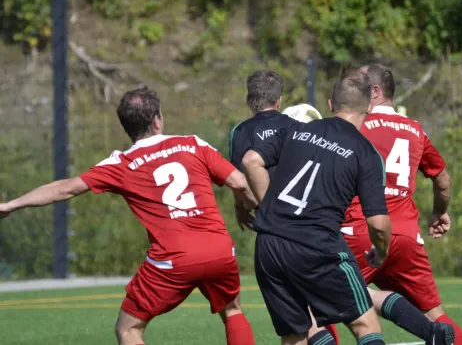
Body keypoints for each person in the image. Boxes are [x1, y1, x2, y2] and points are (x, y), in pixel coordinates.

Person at [0, 87, 257, 345]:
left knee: (128, 329)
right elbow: (241, 184)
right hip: (219, 249)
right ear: (157, 120)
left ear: (126, 127)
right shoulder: (192, 143)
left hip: (173, 259)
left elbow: (65, 189)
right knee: (232, 309)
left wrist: (12, 204)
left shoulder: (121, 163)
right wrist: (257, 209)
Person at [242, 68, 392, 345]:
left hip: (270, 244)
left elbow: (251, 160)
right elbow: (379, 224)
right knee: (364, 322)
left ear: (331, 105)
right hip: (316, 243)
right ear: (369, 107)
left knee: (295, 335)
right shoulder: (366, 152)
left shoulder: (295, 129)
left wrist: (269, 207)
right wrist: (381, 253)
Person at [342, 64, 462, 345]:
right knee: (436, 314)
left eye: (361, 85)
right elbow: (443, 178)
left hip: (364, 230)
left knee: (318, 301)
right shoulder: (414, 129)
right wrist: (440, 211)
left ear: (374, 92)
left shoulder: (357, 124)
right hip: (406, 236)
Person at [229, 69, 341, 344]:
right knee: (316, 307)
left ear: (248, 99)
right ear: (279, 100)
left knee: (292, 323)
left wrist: (243, 208)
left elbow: (240, 181)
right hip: (305, 226)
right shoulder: (296, 128)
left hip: (271, 235)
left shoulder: (240, 132)